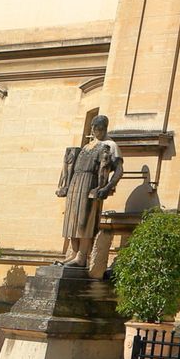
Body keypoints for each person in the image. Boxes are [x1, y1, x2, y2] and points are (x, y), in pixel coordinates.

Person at [58, 115, 123, 270]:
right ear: (92, 128)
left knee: (84, 221)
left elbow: (119, 170)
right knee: (72, 222)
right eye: (96, 128)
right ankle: (73, 254)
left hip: (90, 185)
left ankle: (81, 257)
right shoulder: (87, 146)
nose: (99, 132)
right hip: (76, 183)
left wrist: (106, 188)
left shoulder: (110, 145)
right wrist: (65, 185)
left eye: (102, 129)